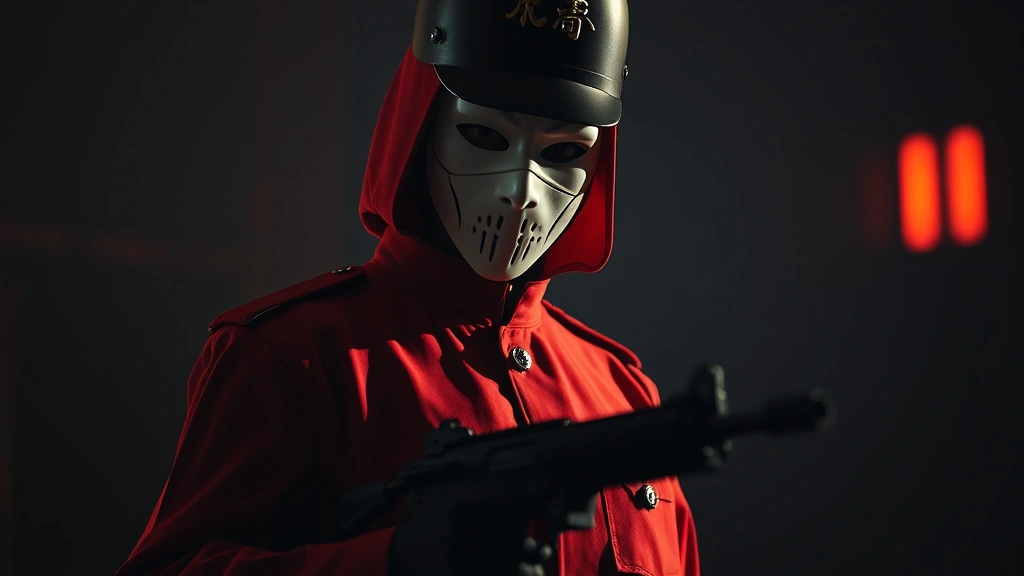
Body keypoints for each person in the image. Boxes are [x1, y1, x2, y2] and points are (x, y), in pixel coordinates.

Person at [116, 1, 700, 574]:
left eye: (564, 150)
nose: (522, 191)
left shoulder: (622, 392)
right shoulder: (293, 356)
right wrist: (389, 561)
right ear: (419, 128)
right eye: (485, 135)